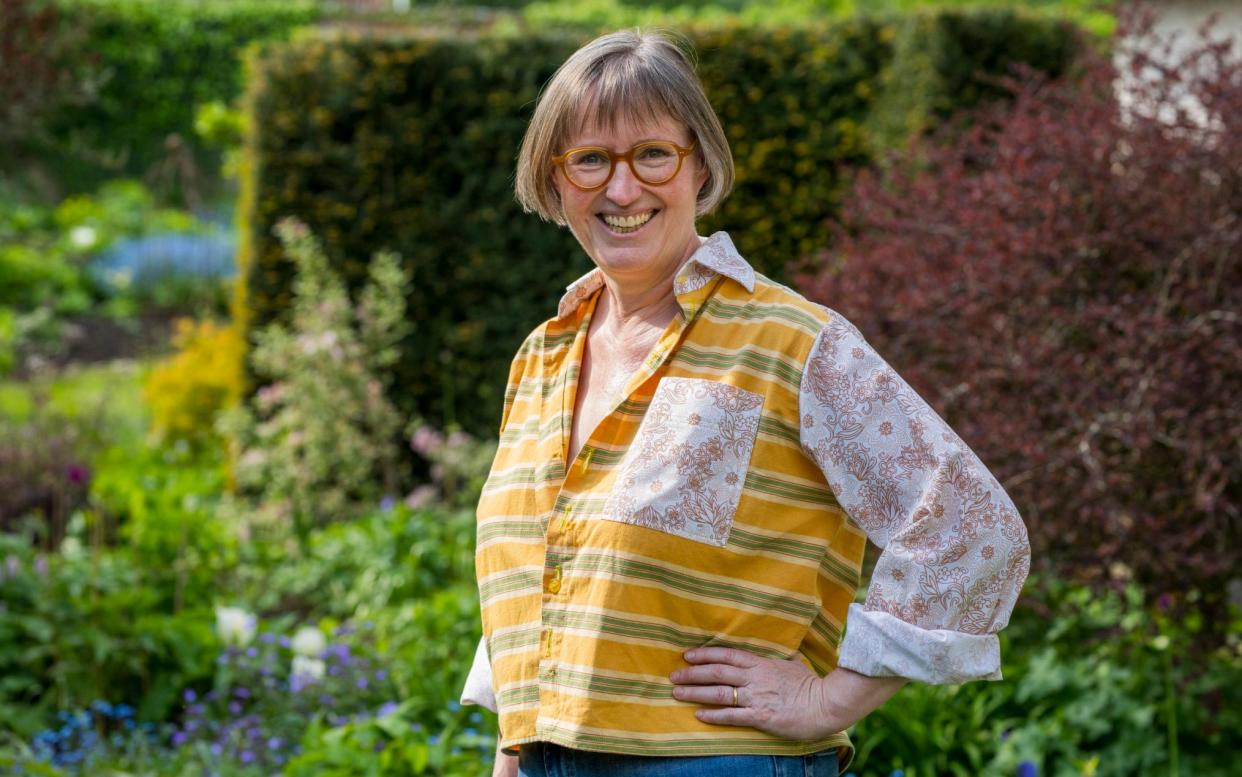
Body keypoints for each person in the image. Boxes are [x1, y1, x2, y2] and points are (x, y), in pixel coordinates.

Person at [459, 29, 1030, 777]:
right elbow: (544, 579)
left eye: (652, 155)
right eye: (590, 159)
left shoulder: (793, 343)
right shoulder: (543, 355)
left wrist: (830, 700)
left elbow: (970, 523)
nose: (621, 189)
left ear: (698, 166)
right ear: (555, 178)